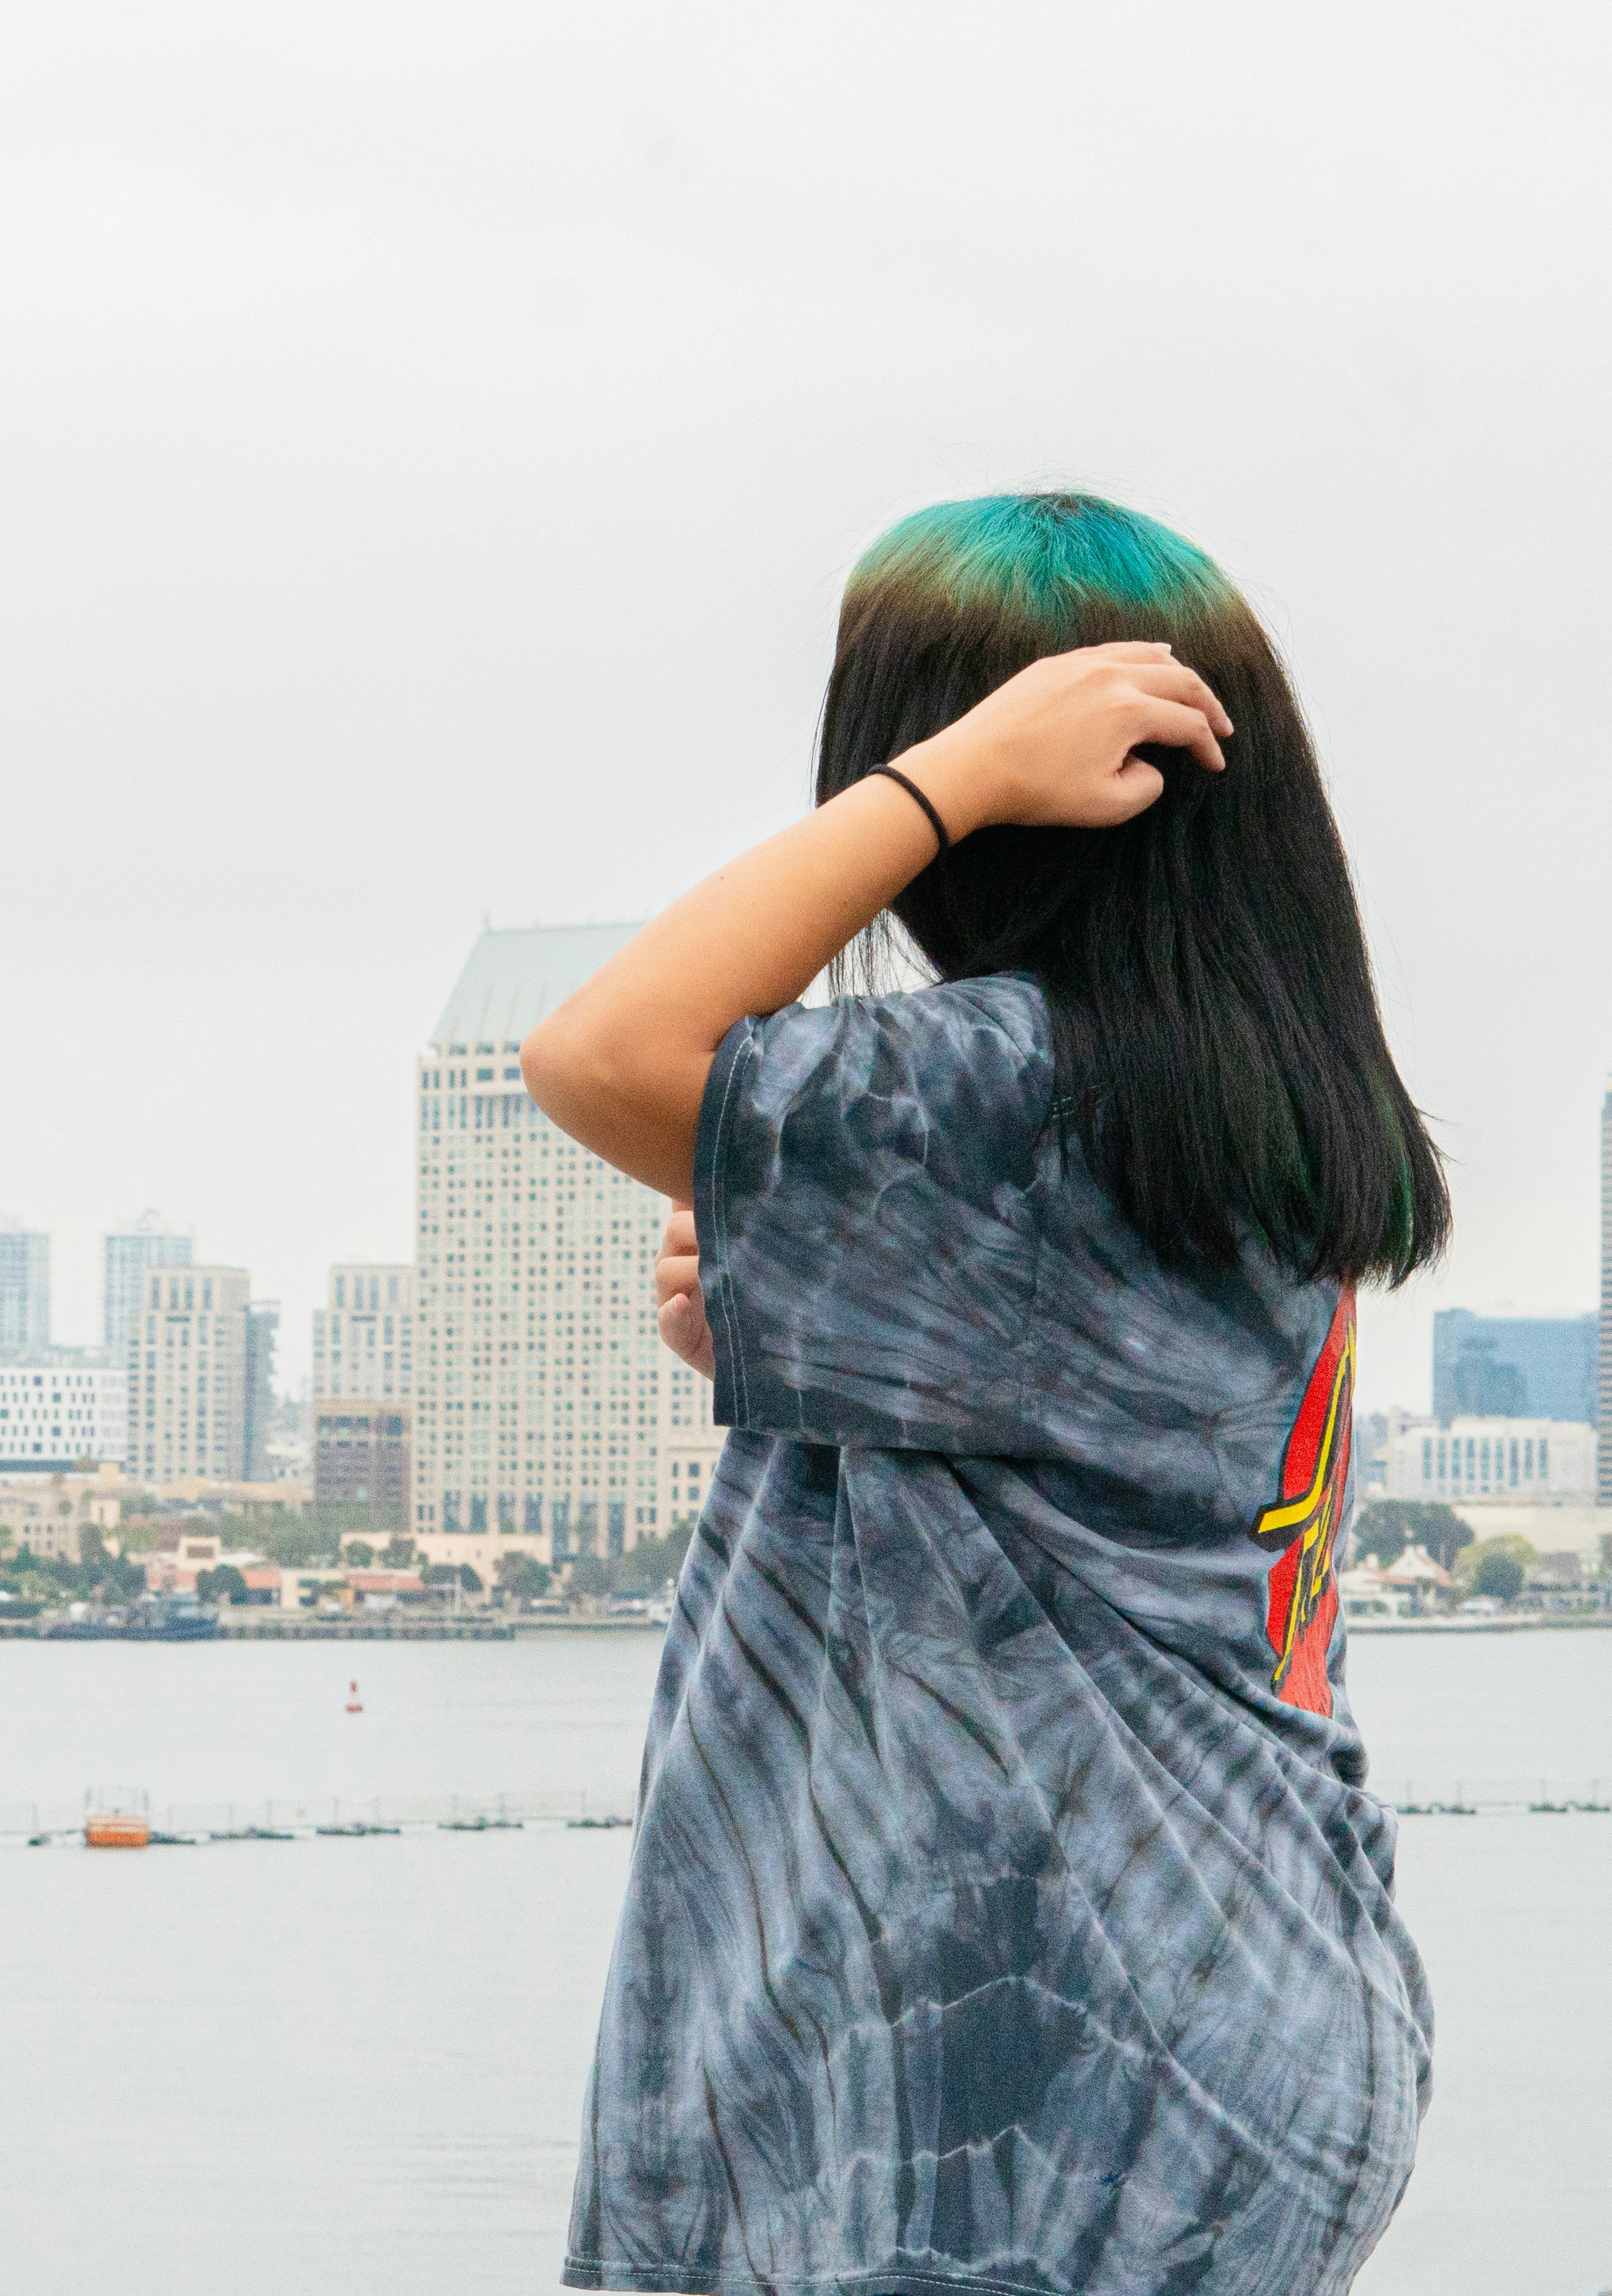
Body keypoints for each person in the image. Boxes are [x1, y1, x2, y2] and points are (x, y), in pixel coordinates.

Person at [526, 490, 1445, 2295]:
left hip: (1026, 2092)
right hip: (1246, 1995)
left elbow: (599, 1056)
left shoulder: (1016, 1094)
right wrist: (819, 1346)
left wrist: (944, 777)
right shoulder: (1258, 1115)